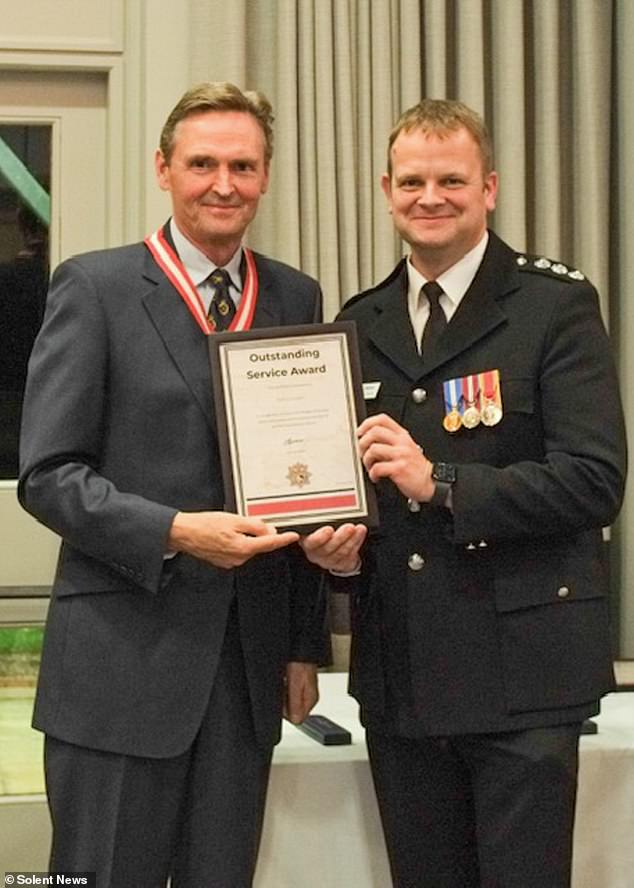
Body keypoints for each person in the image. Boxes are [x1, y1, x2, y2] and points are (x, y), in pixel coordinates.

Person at [18, 81, 362, 888]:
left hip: (244, 677)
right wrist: (176, 530)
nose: (223, 183)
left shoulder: (294, 295)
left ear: (266, 176)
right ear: (163, 168)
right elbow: (48, 476)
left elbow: (301, 488)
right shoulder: (94, 288)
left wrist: (303, 644)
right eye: (202, 162)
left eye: (242, 165)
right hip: (120, 668)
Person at [336, 99, 627, 887]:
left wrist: (444, 482)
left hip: (521, 675)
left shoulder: (554, 305)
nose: (431, 197)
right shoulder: (357, 323)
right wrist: (333, 546)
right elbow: (352, 498)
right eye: (412, 181)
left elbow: (595, 480)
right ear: (386, 189)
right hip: (402, 677)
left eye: (452, 180)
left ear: (489, 188)